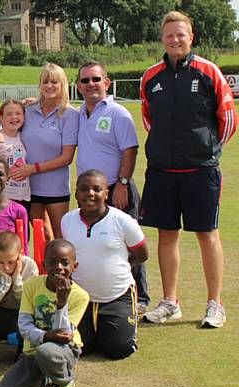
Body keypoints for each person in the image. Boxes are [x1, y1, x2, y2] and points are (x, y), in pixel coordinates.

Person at [140, 11, 238, 328]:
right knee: (166, 235)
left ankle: (215, 304)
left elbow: (228, 119)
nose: (175, 39)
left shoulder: (209, 71)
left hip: (201, 171)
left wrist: (206, 150)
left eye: (181, 34)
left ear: (191, 37)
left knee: (207, 235)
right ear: (162, 39)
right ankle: (170, 302)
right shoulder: (151, 77)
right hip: (162, 171)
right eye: (169, 34)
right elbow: (148, 119)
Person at [75, 60, 151, 312]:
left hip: (117, 189)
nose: (91, 85)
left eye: (96, 79)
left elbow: (130, 150)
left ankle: (138, 298)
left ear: (106, 83)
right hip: (89, 194)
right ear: (78, 86)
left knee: (128, 243)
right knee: (98, 244)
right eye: (85, 80)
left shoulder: (117, 113)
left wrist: (122, 183)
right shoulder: (79, 114)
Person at [61, 170, 148, 359]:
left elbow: (142, 254)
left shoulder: (123, 221)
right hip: (81, 298)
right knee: (79, 347)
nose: (90, 193)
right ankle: (95, 330)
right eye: (84, 189)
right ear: (76, 193)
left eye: (96, 189)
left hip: (116, 296)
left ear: (106, 194)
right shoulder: (67, 220)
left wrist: (118, 268)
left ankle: (112, 329)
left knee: (117, 349)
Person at [0, 239, 89, 387]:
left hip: (62, 351)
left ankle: (64, 381)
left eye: (65, 263)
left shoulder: (80, 296)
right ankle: (45, 376)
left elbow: (65, 335)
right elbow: (24, 326)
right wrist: (45, 335)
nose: (58, 267)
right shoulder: (32, 285)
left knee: (46, 352)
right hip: (32, 351)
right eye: (52, 262)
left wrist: (61, 304)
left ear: (75, 266)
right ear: (44, 264)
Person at [21, 63, 79, 240]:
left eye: (54, 82)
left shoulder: (70, 115)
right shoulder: (28, 110)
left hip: (56, 188)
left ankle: (66, 269)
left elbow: (66, 158)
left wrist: (34, 168)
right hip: (28, 186)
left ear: (63, 85)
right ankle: (43, 268)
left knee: (61, 236)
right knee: (41, 236)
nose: (49, 86)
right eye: (45, 82)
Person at [0, 230, 38, 364]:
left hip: (21, 313)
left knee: (35, 315)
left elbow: (30, 303)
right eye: (0, 262)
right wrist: (5, 282)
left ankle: (24, 353)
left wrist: (17, 280)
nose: (6, 267)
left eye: (11, 262)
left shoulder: (30, 266)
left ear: (20, 254)